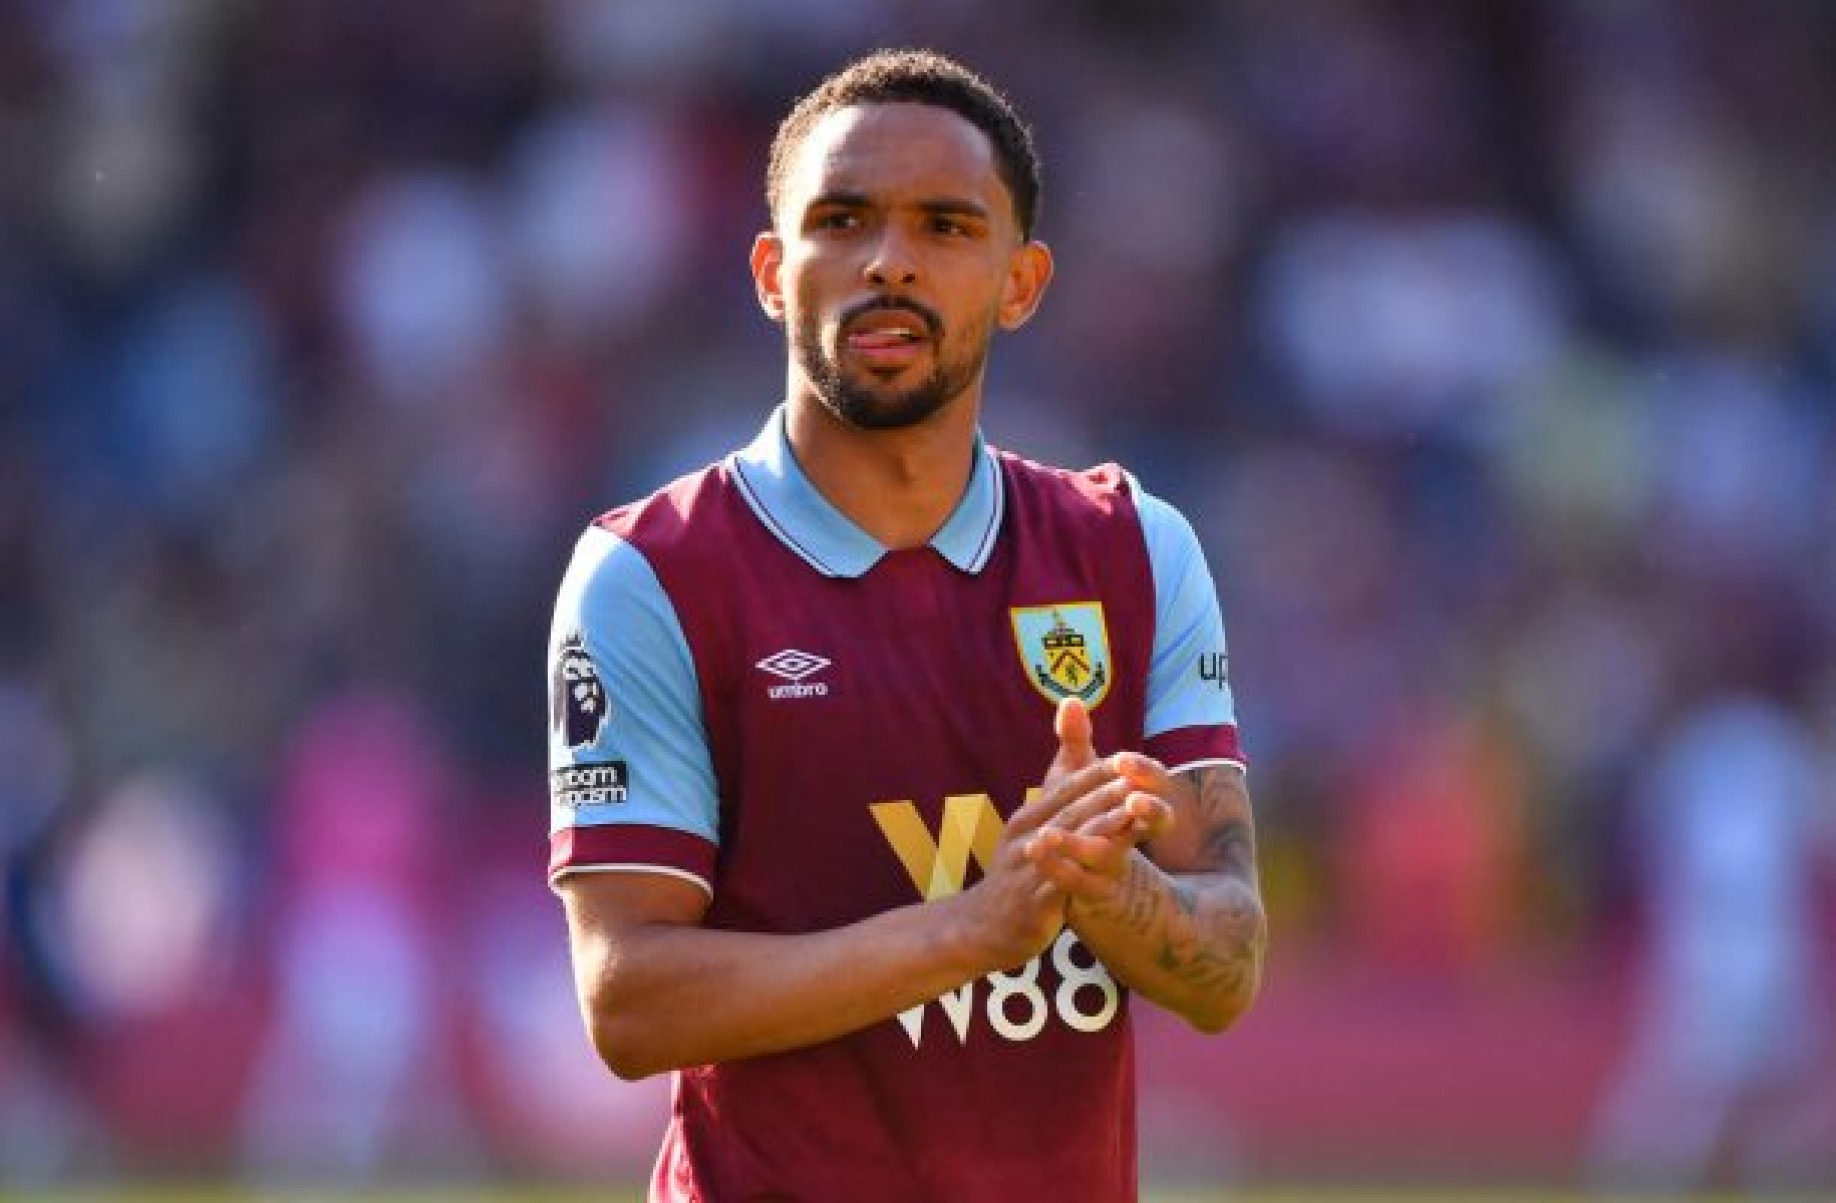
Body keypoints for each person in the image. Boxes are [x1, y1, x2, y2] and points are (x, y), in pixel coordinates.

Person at [546, 48, 1266, 1202]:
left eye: (946, 225)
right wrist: (970, 931)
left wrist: (1103, 888)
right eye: (843, 220)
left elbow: (1227, 963)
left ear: (1021, 282)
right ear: (774, 273)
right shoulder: (651, 574)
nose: (889, 261)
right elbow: (628, 1001)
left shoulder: (1134, 548)